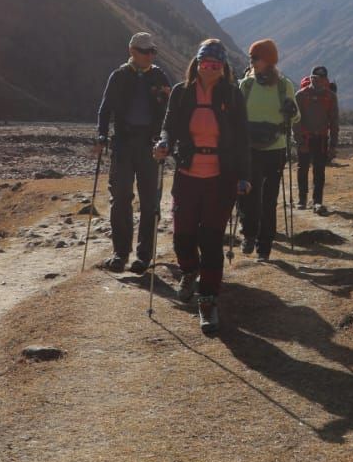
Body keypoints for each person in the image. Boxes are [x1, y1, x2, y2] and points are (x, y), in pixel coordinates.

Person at [156, 39, 250, 336]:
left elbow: (242, 138)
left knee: (211, 239)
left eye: (216, 64)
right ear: (196, 63)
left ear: (223, 68)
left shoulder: (232, 95)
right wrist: (163, 142)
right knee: (182, 234)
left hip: (221, 178)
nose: (210, 68)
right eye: (205, 63)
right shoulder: (182, 93)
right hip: (187, 173)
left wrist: (244, 175)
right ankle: (188, 270)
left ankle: (208, 300)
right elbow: (169, 125)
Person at [94, 31, 172, 274]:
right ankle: (120, 253)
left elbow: (170, 111)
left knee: (150, 202)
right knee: (120, 200)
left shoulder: (159, 76)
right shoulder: (119, 76)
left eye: (152, 51)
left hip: (150, 146)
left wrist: (167, 138)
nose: (150, 55)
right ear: (132, 51)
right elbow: (105, 110)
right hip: (123, 144)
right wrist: (101, 135)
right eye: (145, 51)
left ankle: (144, 256)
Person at [237, 38, 298, 261]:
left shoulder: (284, 86)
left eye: (256, 58)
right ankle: (249, 234)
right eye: (251, 57)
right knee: (249, 195)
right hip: (251, 148)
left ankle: (264, 246)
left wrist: (292, 111)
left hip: (275, 149)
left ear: (268, 60)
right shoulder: (246, 84)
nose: (251, 61)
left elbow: (296, 117)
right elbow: (236, 115)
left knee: (269, 199)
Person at [295, 65, 339, 215]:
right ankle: (302, 199)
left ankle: (317, 201)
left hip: (321, 138)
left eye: (320, 79)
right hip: (305, 138)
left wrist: (333, 144)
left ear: (326, 80)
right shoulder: (300, 95)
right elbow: (296, 121)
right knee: (303, 169)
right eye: (314, 78)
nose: (317, 81)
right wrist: (299, 141)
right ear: (310, 78)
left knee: (319, 171)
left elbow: (334, 121)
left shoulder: (330, 97)